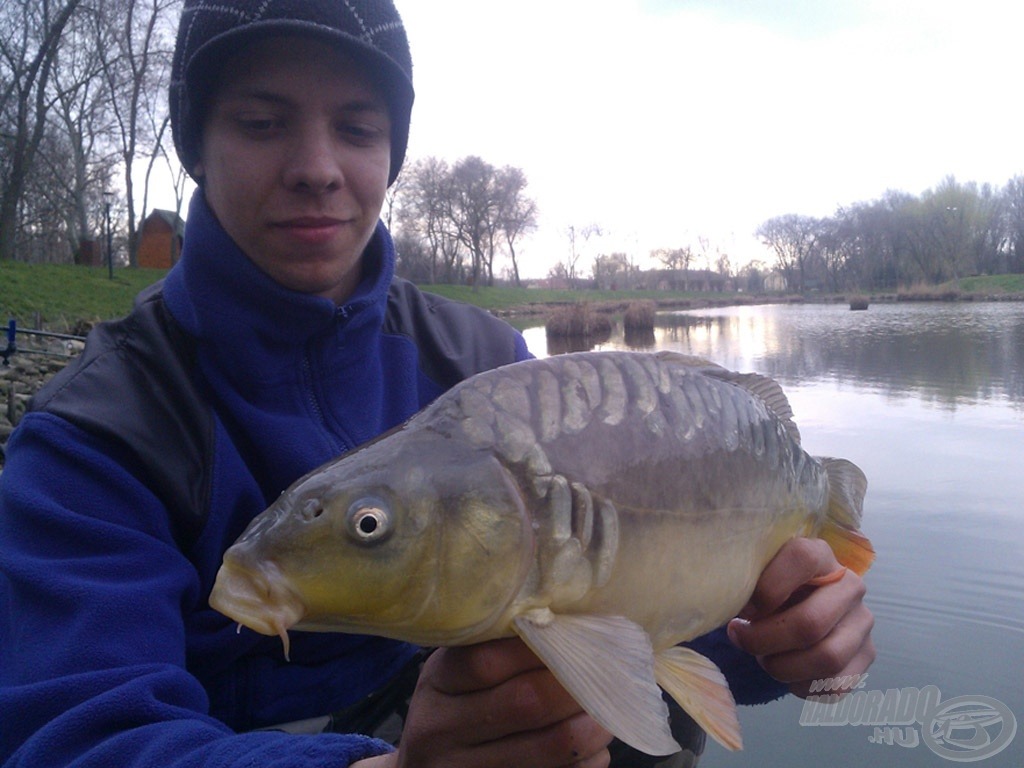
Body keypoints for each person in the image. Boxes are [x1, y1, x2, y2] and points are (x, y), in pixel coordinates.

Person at [0, 1, 874, 766]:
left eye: (357, 126)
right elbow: (70, 736)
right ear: (195, 147)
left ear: (391, 152)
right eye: (263, 123)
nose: (317, 165)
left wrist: (775, 643)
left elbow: (615, 610)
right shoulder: (93, 436)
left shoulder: (482, 361)